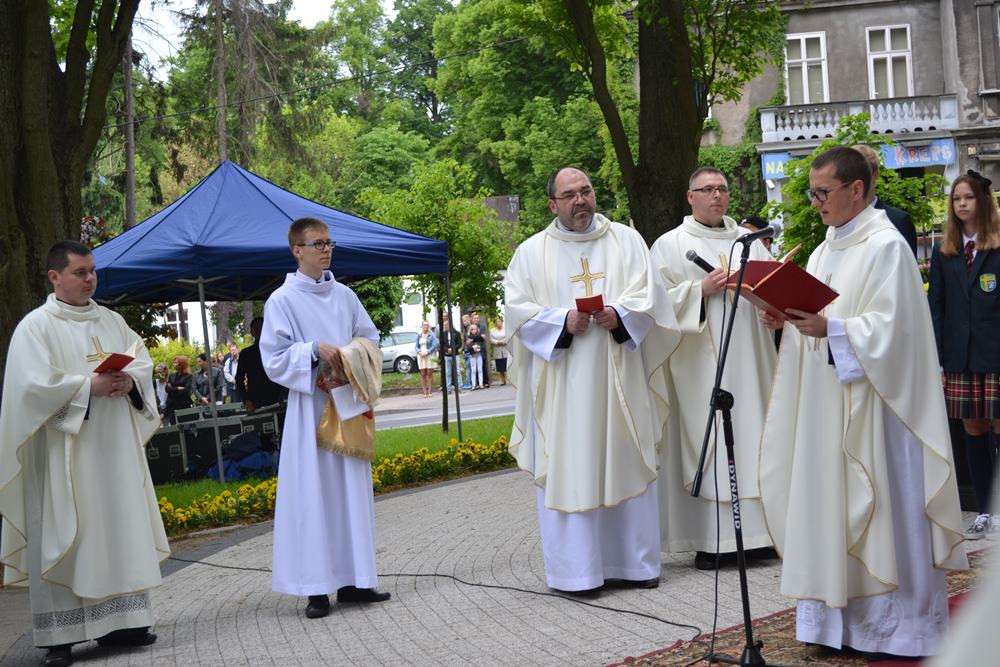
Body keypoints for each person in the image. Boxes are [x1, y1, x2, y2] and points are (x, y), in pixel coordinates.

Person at [757, 147, 967, 658]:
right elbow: (817, 318)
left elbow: (895, 332)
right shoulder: (823, 250)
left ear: (856, 189)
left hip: (879, 412)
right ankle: (836, 625)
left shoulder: (885, 246)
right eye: (812, 193)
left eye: (822, 193)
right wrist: (786, 319)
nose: (815, 203)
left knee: (883, 512)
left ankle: (897, 630)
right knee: (829, 503)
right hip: (828, 404)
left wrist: (832, 330)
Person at [505, 166, 675, 596]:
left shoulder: (627, 241)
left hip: (621, 380)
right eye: (569, 195)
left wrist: (622, 314)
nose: (580, 200)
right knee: (571, 465)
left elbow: (651, 295)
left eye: (586, 191)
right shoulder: (531, 253)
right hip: (563, 387)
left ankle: (635, 565)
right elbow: (517, 312)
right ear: (552, 204)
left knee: (626, 456)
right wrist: (562, 321)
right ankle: (577, 574)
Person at [0, 241, 168, 667]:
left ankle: (125, 624)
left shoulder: (111, 320)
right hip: (64, 456)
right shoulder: (35, 328)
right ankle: (62, 636)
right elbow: (27, 390)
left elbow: (141, 363)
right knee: (67, 533)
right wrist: (86, 387)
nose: (90, 279)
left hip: (114, 452)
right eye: (80, 272)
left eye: (93, 271)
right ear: (54, 277)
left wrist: (131, 382)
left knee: (118, 526)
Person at [261, 217, 390, 620]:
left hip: (345, 404)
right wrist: (314, 351)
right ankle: (316, 589)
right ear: (296, 250)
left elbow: (370, 340)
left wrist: (350, 359)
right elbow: (273, 359)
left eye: (329, 243)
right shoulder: (281, 300)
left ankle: (355, 581)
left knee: (351, 494)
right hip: (310, 410)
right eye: (318, 244)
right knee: (313, 497)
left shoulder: (345, 296)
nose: (326, 249)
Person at [649, 167, 777, 571]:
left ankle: (761, 536)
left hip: (752, 360)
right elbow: (653, 305)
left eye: (722, 189)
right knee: (712, 445)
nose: (717, 196)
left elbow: (772, 289)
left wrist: (773, 311)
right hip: (699, 369)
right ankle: (713, 541)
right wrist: (698, 292)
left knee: (756, 437)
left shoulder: (750, 243)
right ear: (691, 197)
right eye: (707, 190)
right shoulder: (670, 245)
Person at [928, 170, 1000, 539]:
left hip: (995, 353)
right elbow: (936, 306)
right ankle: (985, 510)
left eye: (968, 197)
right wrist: (939, 358)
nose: (961, 204)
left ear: (983, 201)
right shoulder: (946, 251)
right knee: (973, 428)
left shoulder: (997, 245)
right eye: (956, 199)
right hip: (960, 356)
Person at [853, 143, 919, 257]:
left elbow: (907, 264)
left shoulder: (899, 221)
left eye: (862, 175)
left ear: (875, 175)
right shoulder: (839, 223)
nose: (856, 182)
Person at [235, 316, 287, 415]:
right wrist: (246, 400)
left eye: (262, 328)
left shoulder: (277, 350)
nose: (260, 332)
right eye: (256, 329)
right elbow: (239, 379)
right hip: (256, 403)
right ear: (252, 332)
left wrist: (285, 396)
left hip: (277, 399)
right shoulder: (246, 354)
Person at [163, 355, 194, 424]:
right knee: (174, 427)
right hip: (172, 406)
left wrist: (172, 389)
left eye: (176, 362)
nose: (173, 364)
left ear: (181, 364)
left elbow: (186, 390)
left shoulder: (189, 376)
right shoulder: (172, 376)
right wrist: (177, 388)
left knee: (186, 425)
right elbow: (167, 389)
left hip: (183, 406)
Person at [414, 320, 439, 398]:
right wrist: (419, 352)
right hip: (421, 355)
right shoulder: (419, 335)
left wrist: (427, 352)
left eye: (427, 325)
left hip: (429, 355)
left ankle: (430, 391)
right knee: (422, 373)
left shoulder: (432, 335)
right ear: (422, 326)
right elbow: (416, 346)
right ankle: (424, 392)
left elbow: (434, 345)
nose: (425, 326)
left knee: (429, 373)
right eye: (424, 325)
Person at [440, 317, 463, 391]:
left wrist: (453, 348)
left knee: (457, 371)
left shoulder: (456, 333)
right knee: (448, 372)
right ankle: (448, 388)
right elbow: (442, 345)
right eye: (444, 325)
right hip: (447, 355)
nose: (445, 327)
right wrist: (447, 349)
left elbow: (459, 343)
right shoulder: (443, 334)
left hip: (455, 355)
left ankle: (460, 386)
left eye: (446, 325)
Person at [471, 313, 490, 387]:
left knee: (483, 365)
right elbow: (469, 337)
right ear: (472, 319)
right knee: (474, 367)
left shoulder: (482, 327)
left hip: (482, 348)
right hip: (473, 349)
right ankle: (477, 383)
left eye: (477, 318)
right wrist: (479, 336)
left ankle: (485, 382)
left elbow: (483, 337)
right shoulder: (470, 327)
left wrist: (475, 336)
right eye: (474, 318)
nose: (476, 319)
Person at [489, 316, 509, 385]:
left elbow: (508, 337)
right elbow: (491, 339)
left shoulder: (506, 329)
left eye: (499, 321)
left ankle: (507, 378)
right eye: (496, 322)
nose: (498, 323)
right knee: (500, 366)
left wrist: (503, 342)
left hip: (505, 348)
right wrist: (497, 342)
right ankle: (502, 380)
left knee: (506, 364)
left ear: (502, 322)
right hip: (497, 349)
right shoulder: (492, 330)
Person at [466, 323, 485, 389]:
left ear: (477, 330)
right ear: (470, 330)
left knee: (480, 369)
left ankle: (481, 384)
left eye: (475, 329)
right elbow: (467, 347)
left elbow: (482, 344)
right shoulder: (468, 337)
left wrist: (479, 347)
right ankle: (473, 385)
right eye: (472, 329)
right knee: (473, 370)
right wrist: (472, 348)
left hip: (479, 354)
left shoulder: (480, 337)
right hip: (472, 355)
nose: (474, 330)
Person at [460, 313, 473, 390]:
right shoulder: (465, 329)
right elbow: (464, 341)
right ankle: (468, 382)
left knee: (469, 368)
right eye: (462, 321)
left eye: (464, 320)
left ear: (469, 320)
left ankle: (469, 383)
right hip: (466, 350)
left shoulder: (471, 328)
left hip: (469, 350)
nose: (463, 322)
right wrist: (463, 349)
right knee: (468, 367)